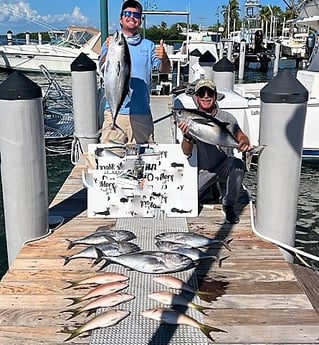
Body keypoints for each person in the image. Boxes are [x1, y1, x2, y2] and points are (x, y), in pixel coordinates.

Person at [177, 79, 251, 224]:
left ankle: (228, 205)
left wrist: (244, 143)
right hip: (203, 171)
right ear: (196, 97)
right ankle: (209, 190)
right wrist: (187, 136)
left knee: (237, 164)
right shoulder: (191, 119)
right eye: (201, 93)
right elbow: (186, 152)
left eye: (209, 92)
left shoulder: (227, 118)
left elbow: (240, 135)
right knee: (186, 198)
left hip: (224, 167)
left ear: (215, 96)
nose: (206, 96)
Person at [99, 0, 171, 144]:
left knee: (145, 160)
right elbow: (102, 66)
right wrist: (108, 50)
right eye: (127, 13)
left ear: (140, 21)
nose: (132, 17)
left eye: (136, 15)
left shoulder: (149, 45)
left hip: (141, 114)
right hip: (115, 112)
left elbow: (164, 69)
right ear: (120, 19)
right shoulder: (110, 43)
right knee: (109, 159)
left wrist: (164, 57)